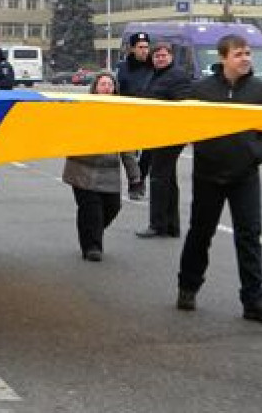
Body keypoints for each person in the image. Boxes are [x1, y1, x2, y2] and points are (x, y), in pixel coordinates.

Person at [176, 34, 262, 325]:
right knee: (200, 233)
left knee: (249, 237)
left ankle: (254, 300)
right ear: (223, 58)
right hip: (208, 175)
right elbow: (183, 123)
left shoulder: (261, 91)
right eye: (239, 54)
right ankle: (187, 287)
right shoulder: (202, 90)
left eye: (248, 53)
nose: (245, 58)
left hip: (245, 176)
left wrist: (258, 151)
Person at [63, 71, 124, 261]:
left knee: (113, 207)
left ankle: (91, 231)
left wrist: (135, 177)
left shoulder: (122, 113)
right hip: (82, 168)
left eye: (110, 84)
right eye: (103, 84)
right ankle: (92, 247)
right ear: (95, 88)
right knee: (91, 208)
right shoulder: (83, 108)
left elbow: (128, 147)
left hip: (109, 171)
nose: (107, 87)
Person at [136, 41, 192, 238]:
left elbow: (182, 106)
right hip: (158, 133)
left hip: (170, 134)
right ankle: (171, 225)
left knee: (158, 177)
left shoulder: (177, 76)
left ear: (171, 56)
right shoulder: (156, 74)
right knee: (168, 179)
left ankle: (157, 224)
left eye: (163, 55)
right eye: (156, 56)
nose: (160, 59)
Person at [116, 32, 153, 199]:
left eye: (146, 47)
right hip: (128, 116)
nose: (144, 50)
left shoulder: (153, 66)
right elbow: (117, 90)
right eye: (140, 47)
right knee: (129, 153)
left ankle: (140, 178)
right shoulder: (123, 68)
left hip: (148, 116)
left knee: (148, 153)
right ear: (132, 49)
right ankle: (135, 182)